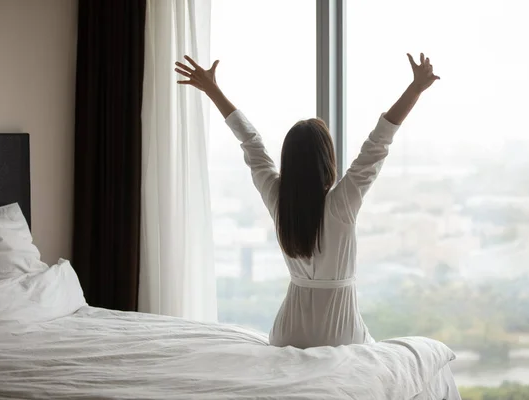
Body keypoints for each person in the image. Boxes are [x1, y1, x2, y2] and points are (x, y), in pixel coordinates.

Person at [175, 53, 439, 349]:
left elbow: (251, 144)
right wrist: (415, 88)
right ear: (327, 159)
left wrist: (213, 90)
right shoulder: (342, 202)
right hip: (339, 335)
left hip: (287, 334)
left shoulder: (278, 200)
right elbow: (377, 144)